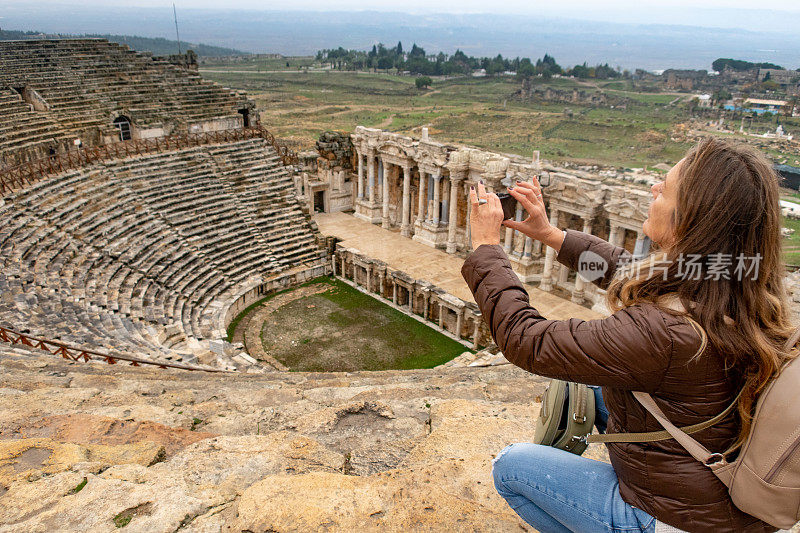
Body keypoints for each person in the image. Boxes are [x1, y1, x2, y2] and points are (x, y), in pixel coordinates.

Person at [461, 137, 795, 532]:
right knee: (587, 394)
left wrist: (486, 247)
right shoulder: (743, 282)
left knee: (512, 467)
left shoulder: (664, 335)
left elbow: (526, 339)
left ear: (690, 219)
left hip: (678, 519)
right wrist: (551, 235)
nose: (653, 189)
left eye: (665, 189)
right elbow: (632, 273)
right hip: (719, 489)